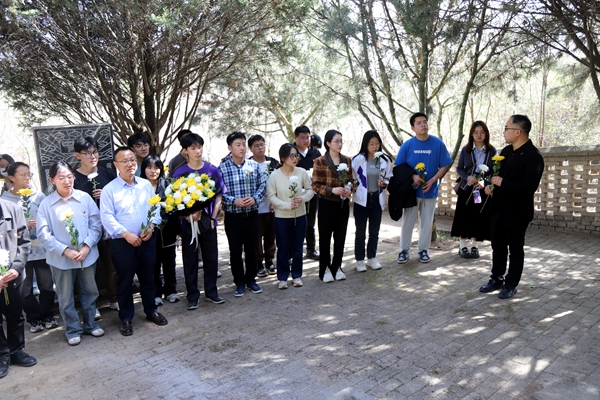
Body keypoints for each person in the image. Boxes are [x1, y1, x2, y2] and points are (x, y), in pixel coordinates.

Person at [100, 147, 168, 336]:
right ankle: (126, 318)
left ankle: (151, 310)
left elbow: (154, 207)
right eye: (124, 161)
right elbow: (107, 217)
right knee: (125, 281)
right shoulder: (109, 190)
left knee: (149, 278)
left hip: (146, 240)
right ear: (116, 165)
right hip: (123, 243)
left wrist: (151, 226)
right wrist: (126, 234)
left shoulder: (145, 185)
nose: (130, 164)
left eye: (132, 160)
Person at [37, 161, 104, 346]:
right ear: (52, 180)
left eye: (69, 176)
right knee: (65, 297)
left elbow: (96, 224)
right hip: (61, 260)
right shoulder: (46, 204)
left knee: (90, 291)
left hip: (86, 256)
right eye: (61, 178)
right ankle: (73, 329)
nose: (67, 181)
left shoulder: (84, 198)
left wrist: (87, 246)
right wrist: (65, 250)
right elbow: (43, 234)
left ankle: (91, 324)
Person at [479, 115, 544, 299]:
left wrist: (502, 182)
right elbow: (495, 175)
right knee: (498, 247)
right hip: (498, 209)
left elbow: (528, 187)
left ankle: (511, 284)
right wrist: (490, 186)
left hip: (517, 212)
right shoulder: (506, 151)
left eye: (507, 128)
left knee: (515, 250)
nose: (504, 132)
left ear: (518, 132)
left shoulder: (533, 157)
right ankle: (496, 278)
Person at [1, 162, 58, 333]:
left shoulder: (38, 196)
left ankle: (48, 315)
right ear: (12, 177)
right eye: (23, 175)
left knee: (46, 285)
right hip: (19, 252)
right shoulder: (5, 200)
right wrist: (24, 226)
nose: (27, 178)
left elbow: (48, 217)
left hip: (41, 249)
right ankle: (33, 318)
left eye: (29, 174)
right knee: (25, 289)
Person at [171, 134, 226, 308]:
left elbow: (219, 195)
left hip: (208, 222)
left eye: (199, 147)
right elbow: (174, 201)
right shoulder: (179, 173)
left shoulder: (212, 170)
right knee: (190, 260)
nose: (197, 151)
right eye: (193, 148)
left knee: (211, 258)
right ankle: (192, 296)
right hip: (188, 225)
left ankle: (212, 292)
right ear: (185, 151)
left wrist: (213, 217)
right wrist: (186, 215)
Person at [394, 113, 453, 264]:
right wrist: (413, 176)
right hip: (411, 192)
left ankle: (424, 250)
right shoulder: (407, 145)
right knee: (408, 222)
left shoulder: (437, 143)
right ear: (413, 128)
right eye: (419, 123)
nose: (423, 125)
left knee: (427, 223)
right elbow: (398, 166)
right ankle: (404, 250)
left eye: (425, 122)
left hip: (429, 191)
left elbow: (444, 165)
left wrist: (433, 180)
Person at [73, 136, 119, 315]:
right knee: (88, 269)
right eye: (87, 153)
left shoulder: (107, 173)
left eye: (95, 152)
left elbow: (119, 196)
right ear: (78, 155)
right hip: (85, 230)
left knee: (112, 265)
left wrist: (106, 195)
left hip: (108, 228)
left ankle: (114, 298)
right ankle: (92, 305)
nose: (92, 156)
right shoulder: (73, 177)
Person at [219, 132, 267, 297]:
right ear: (229, 148)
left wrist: (255, 198)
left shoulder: (253, 166)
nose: (242, 148)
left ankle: (251, 280)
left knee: (252, 249)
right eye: (237, 145)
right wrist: (234, 201)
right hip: (233, 217)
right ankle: (239, 282)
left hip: (251, 215)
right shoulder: (222, 168)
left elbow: (262, 185)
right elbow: (219, 192)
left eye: (243, 144)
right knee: (235, 251)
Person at [268, 144, 314, 289]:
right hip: (281, 218)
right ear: (283, 158)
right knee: (282, 248)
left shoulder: (301, 172)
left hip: (300, 216)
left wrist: (303, 198)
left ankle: (297, 275)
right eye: (291, 156)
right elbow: (271, 196)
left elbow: (311, 189)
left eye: (296, 155)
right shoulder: (274, 175)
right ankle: (282, 277)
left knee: (298, 248)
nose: (295, 158)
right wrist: (287, 205)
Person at [0, 198, 36, 379]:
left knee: (15, 314)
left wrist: (16, 268)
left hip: (13, 275)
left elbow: (24, 243)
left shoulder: (13, 209)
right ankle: (2, 356)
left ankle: (17, 350)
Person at [312, 129, 353, 283]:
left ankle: (337, 267)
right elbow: (315, 185)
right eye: (336, 141)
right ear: (328, 143)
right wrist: (331, 190)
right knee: (325, 238)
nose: (339, 144)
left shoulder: (347, 160)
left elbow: (351, 180)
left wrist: (349, 189)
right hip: (326, 204)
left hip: (342, 204)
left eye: (341, 141)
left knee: (340, 237)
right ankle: (325, 269)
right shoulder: (320, 161)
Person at [450, 121, 497, 258]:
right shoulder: (466, 150)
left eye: (482, 132)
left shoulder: (491, 151)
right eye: (475, 132)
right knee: (464, 217)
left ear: (486, 133)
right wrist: (467, 177)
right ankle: (462, 246)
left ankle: (475, 246)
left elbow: (494, 171)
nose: (479, 135)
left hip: (482, 189)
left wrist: (484, 182)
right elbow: (459, 169)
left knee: (479, 217)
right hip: (467, 188)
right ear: (471, 134)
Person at [140, 155, 179, 306]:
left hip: (168, 228)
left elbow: (175, 206)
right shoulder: (139, 186)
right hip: (148, 230)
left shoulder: (168, 184)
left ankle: (171, 291)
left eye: (156, 167)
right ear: (143, 169)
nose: (153, 171)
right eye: (149, 167)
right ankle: (156, 293)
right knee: (152, 263)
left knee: (169, 261)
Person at [351, 131, 393, 272]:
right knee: (360, 232)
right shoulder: (358, 159)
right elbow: (352, 178)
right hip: (361, 200)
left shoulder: (384, 160)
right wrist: (353, 186)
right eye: (371, 144)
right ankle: (359, 260)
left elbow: (388, 177)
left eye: (377, 143)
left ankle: (372, 258)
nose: (375, 147)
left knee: (374, 231)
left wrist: (384, 183)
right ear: (365, 144)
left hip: (376, 198)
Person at [248, 134, 280, 277]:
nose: (260, 148)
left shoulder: (273, 163)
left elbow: (280, 180)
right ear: (250, 148)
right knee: (256, 237)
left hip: (272, 207)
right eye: (256, 146)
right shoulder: (247, 165)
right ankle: (258, 263)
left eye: (262, 144)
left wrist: (274, 194)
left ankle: (269, 261)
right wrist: (260, 193)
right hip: (256, 208)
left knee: (270, 236)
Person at [293, 126, 322, 260]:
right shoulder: (291, 151)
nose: (306, 140)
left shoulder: (315, 153)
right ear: (296, 138)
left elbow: (321, 171)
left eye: (308, 137)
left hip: (312, 193)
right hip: (295, 194)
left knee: (310, 222)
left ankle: (311, 249)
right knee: (296, 223)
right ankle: (294, 252)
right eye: (302, 137)